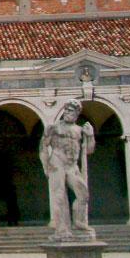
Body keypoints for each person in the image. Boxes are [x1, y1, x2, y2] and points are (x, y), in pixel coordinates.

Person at [39, 99, 96, 240]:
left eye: (71, 110)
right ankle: (62, 230)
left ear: (77, 113)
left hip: (72, 165)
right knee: (60, 197)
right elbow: (43, 147)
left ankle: (79, 222)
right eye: (66, 109)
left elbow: (89, 151)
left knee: (83, 194)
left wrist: (90, 135)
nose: (67, 112)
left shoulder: (79, 130)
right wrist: (46, 166)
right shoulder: (53, 127)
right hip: (57, 162)